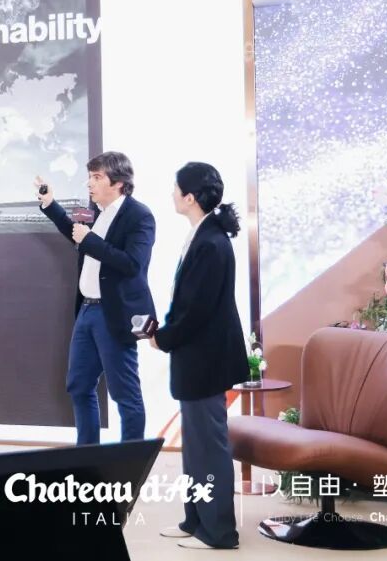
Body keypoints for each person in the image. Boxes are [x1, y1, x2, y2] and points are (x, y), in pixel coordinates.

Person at [149, 162, 249, 550]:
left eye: (176, 189)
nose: (172, 194)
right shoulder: (204, 235)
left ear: (190, 197)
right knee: (195, 448)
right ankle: (196, 520)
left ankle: (219, 531)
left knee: (209, 447)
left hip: (206, 360)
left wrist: (164, 338)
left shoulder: (210, 242)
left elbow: (196, 309)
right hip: (197, 359)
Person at [35, 151, 156, 444]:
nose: (89, 183)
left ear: (119, 182)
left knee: (124, 394)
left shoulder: (139, 216)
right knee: (79, 386)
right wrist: (50, 204)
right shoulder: (97, 211)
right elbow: (77, 234)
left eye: (97, 177)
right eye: (90, 176)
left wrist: (89, 240)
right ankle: (87, 455)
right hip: (87, 311)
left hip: (114, 314)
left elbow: (132, 264)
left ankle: (130, 461)